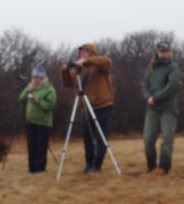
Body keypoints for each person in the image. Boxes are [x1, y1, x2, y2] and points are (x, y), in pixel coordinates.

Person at [60, 43, 114, 174]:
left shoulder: (101, 65)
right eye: (81, 52)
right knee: (87, 137)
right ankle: (89, 163)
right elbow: (68, 83)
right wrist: (65, 70)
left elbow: (107, 61)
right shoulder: (80, 69)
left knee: (101, 137)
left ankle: (97, 164)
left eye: (85, 52)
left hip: (103, 105)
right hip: (86, 107)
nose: (82, 54)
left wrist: (86, 61)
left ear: (91, 53)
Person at [141, 40, 182, 174]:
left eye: (166, 51)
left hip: (168, 108)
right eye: (162, 51)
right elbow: (144, 84)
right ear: (157, 53)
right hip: (152, 108)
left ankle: (164, 166)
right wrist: (148, 96)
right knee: (148, 139)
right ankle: (151, 164)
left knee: (167, 138)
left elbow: (172, 86)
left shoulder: (173, 67)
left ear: (170, 52)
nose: (164, 54)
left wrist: (156, 98)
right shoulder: (151, 68)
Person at [19, 64, 56, 174]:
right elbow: (21, 99)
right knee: (31, 145)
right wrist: (27, 90)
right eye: (34, 77)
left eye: (38, 77)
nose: (36, 80)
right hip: (30, 121)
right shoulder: (31, 87)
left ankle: (40, 168)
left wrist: (38, 102)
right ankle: (32, 168)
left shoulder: (49, 89)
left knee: (41, 146)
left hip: (43, 122)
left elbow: (50, 104)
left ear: (43, 77)